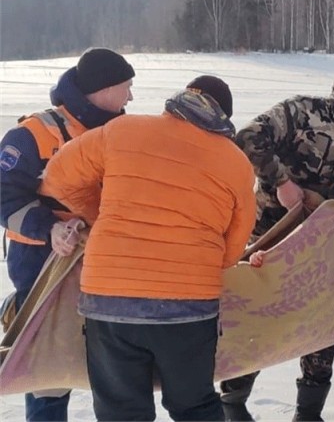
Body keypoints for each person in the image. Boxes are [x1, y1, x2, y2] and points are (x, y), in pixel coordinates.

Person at [39, 76, 257, 421]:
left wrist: (104, 216)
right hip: (189, 307)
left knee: (121, 413)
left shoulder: (123, 130)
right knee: (196, 407)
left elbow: (59, 174)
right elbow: (232, 250)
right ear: (223, 118)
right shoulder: (236, 163)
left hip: (109, 299)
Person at [220, 62, 334, 422]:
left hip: (324, 248)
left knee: (323, 324)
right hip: (272, 240)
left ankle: (309, 413)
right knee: (257, 319)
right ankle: (232, 403)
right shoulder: (300, 113)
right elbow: (249, 138)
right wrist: (281, 181)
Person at [0, 47, 135, 421]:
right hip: (43, 267)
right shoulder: (33, 135)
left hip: (104, 269)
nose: (131, 96)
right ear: (103, 89)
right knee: (49, 370)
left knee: (109, 366)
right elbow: (5, 198)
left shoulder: (122, 132)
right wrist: (52, 229)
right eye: (126, 86)